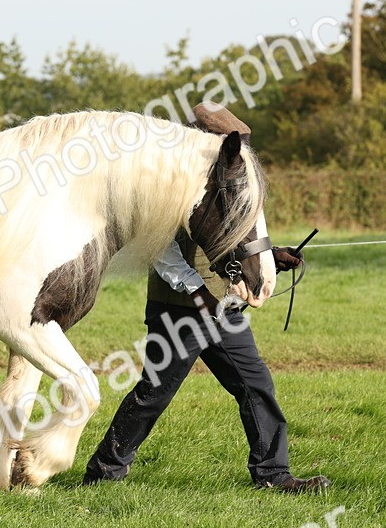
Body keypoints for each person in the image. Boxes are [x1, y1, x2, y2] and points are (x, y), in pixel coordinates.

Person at [83, 107, 330, 494]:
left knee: (255, 384)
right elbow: (159, 249)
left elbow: (236, 237)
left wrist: (270, 257)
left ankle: (273, 474)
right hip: (179, 307)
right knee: (155, 393)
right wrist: (196, 289)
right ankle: (104, 471)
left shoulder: (224, 185)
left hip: (222, 306)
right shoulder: (169, 181)